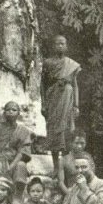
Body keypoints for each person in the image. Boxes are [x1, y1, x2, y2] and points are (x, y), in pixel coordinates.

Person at [41, 35, 81, 176]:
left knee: (66, 132)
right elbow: (43, 85)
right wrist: (43, 103)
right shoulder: (47, 63)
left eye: (62, 44)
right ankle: (56, 167)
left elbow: (75, 85)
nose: (60, 46)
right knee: (53, 131)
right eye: (57, 44)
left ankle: (67, 169)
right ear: (53, 46)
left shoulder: (71, 64)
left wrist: (76, 105)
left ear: (67, 46)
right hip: (53, 99)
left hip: (67, 100)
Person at [0, 101, 32, 204]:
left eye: (14, 110)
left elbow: (23, 151)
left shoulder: (23, 130)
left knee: (21, 166)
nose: (11, 112)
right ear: (4, 113)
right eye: (8, 110)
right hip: (1, 158)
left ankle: (17, 195)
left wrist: (11, 165)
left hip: (16, 159)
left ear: (18, 113)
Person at [58, 129, 87, 195]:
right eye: (76, 143)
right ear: (71, 143)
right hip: (71, 192)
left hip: (87, 193)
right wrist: (70, 195)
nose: (79, 146)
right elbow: (61, 183)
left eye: (82, 143)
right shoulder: (64, 160)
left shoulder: (88, 158)